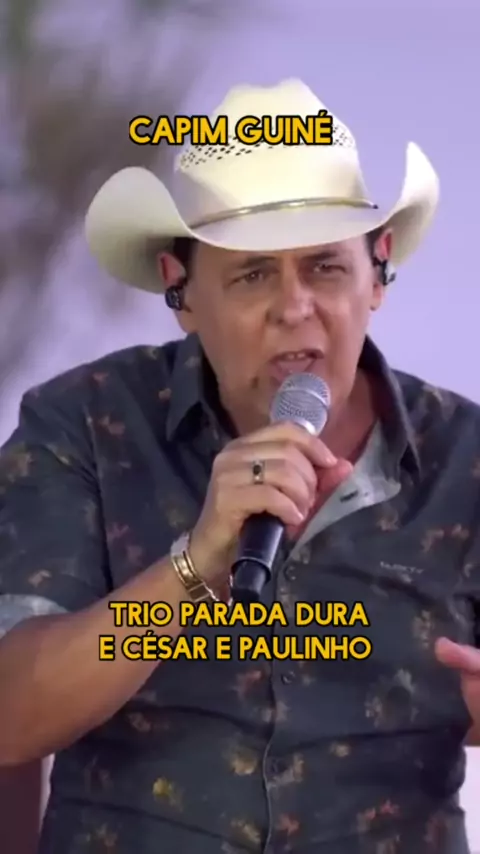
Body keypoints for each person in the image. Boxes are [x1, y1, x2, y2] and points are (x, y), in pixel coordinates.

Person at [0, 77, 480, 854]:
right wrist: (191, 569)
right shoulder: (86, 424)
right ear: (180, 289)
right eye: (253, 274)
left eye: (325, 267)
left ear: (379, 270)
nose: (294, 307)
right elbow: (12, 718)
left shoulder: (466, 458)